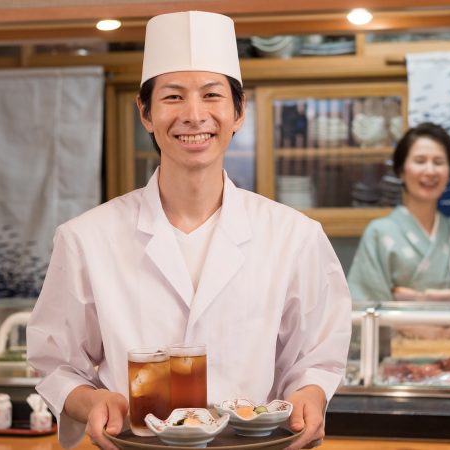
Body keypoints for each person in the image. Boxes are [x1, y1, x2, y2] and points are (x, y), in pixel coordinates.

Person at [26, 11, 351, 450]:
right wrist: (90, 401)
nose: (194, 115)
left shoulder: (295, 236)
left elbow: (317, 354)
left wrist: (311, 392)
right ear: (145, 113)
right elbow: (55, 361)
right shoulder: (85, 238)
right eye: (173, 97)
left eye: (212, 95)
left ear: (238, 113)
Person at [348, 122, 450, 306]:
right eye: (420, 161)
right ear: (401, 170)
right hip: (395, 335)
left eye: (438, 162)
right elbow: (366, 304)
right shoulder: (380, 232)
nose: (430, 171)